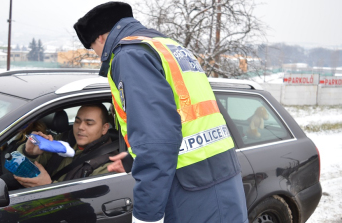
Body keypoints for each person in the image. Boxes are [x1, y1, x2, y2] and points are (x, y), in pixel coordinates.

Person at [73, 2, 248, 223]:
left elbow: (157, 141)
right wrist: (131, 158)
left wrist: (146, 215)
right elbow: (183, 117)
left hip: (188, 189)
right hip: (220, 178)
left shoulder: (130, 56)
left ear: (100, 38)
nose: (99, 56)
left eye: (93, 49)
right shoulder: (169, 47)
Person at [14, 104, 117, 188]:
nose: (80, 127)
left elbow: (85, 203)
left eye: (89, 123)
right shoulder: (62, 141)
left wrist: (48, 187)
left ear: (104, 128)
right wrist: (29, 153)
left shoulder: (108, 164)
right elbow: (20, 166)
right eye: (77, 121)